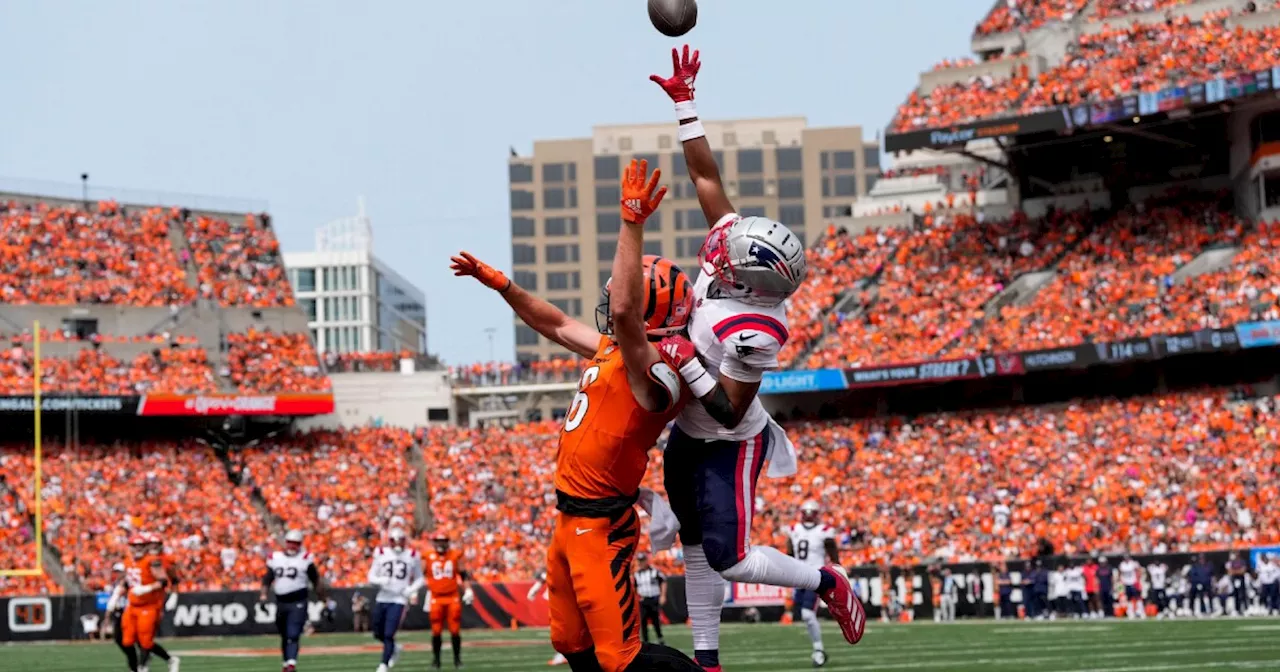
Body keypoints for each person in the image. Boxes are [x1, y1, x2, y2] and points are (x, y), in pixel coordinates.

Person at [650, 44, 864, 671]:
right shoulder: (742, 269)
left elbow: (723, 409)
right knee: (693, 547)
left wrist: (682, 355)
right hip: (689, 431)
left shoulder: (755, 330)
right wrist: (687, 106)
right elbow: (706, 180)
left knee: (729, 554)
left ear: (748, 283)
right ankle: (708, 662)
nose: (713, 253)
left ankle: (825, 581)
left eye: (725, 259)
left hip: (729, 439)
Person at [450, 157, 704, 671]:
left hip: (601, 524)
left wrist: (631, 222)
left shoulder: (654, 375)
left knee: (621, 659)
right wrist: (503, 287)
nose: (610, 308)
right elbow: (559, 324)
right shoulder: (614, 350)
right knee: (571, 645)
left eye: (620, 303)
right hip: (567, 519)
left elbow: (630, 313)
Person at [261, 529, 326, 672]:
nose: (292, 546)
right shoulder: (275, 558)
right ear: (286, 543)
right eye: (290, 543)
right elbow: (267, 578)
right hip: (281, 601)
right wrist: (263, 596)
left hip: (298, 600)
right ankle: (286, 663)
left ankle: (291, 663)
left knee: (293, 633)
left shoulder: (305, 558)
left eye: (295, 544)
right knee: (284, 634)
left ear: (300, 544)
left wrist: (323, 599)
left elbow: (316, 580)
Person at [787, 500, 840, 666]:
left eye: (811, 514)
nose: (809, 517)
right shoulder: (794, 530)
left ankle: (818, 650)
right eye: (806, 514)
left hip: (815, 575)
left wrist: (837, 568)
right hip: (799, 576)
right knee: (805, 615)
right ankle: (818, 649)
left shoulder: (824, 531)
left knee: (808, 615)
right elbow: (789, 553)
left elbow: (833, 552)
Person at [118, 534, 179, 672]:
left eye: (141, 546)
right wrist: (116, 595)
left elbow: (165, 580)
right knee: (127, 640)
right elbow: (128, 580)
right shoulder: (128, 561)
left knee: (145, 640)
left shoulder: (154, 560)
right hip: (132, 604)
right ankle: (160, 659)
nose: (138, 549)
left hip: (150, 604)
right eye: (135, 546)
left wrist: (148, 588)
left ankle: (143, 666)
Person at [367, 527, 424, 672]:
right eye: (394, 541)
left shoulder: (412, 555)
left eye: (400, 541)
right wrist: (381, 581)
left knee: (388, 633)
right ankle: (394, 647)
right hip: (383, 597)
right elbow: (371, 576)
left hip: (399, 599)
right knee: (377, 632)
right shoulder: (381, 553)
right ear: (389, 541)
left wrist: (410, 590)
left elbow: (420, 578)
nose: (398, 544)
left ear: (405, 541)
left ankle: (383, 665)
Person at [424, 534, 473, 669]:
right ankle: (436, 661)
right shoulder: (427, 556)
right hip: (435, 597)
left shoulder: (455, 555)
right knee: (436, 630)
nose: (440, 544)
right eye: (438, 541)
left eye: (443, 541)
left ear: (447, 542)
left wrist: (468, 590)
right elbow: (419, 574)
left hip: (452, 596)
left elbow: (463, 575)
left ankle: (457, 660)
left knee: (455, 630)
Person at [528, 570, 568, 667]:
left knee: (562, 629)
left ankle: (563, 655)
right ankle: (563, 654)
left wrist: (533, 591)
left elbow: (543, 577)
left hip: (563, 599)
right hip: (562, 598)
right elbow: (543, 577)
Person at [632, 552, 667, 646]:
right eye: (639, 561)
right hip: (643, 600)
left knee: (655, 620)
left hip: (654, 599)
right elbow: (634, 587)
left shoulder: (654, 571)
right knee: (643, 621)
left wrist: (663, 595)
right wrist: (636, 599)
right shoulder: (636, 574)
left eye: (642, 560)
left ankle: (660, 638)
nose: (641, 563)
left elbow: (663, 581)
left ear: (646, 561)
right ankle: (645, 641)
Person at [1118, 555, 1145, 619]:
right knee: (1129, 598)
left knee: (1138, 598)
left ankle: (1141, 612)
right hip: (1126, 583)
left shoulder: (1133, 563)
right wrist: (1121, 581)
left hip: (1134, 582)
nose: (1126, 559)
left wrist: (1138, 580)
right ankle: (1131, 612)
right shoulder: (1122, 565)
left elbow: (1139, 570)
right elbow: (1120, 573)